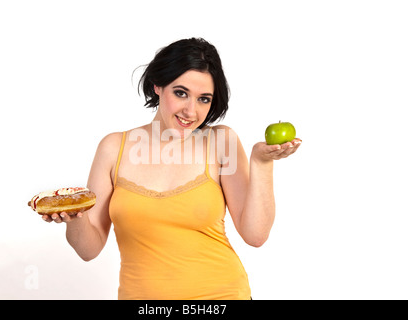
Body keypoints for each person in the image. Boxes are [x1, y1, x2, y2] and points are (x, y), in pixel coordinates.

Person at [42, 38, 302, 299]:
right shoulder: (113, 148)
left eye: (204, 99)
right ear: (158, 85)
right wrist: (75, 217)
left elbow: (255, 235)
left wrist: (262, 162)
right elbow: (89, 250)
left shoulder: (221, 142)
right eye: (181, 93)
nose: (191, 111)